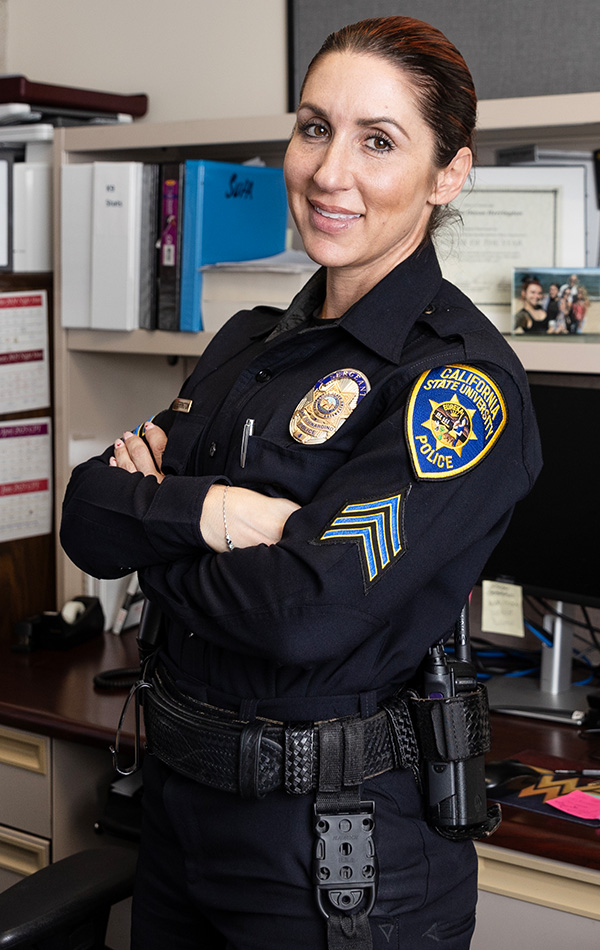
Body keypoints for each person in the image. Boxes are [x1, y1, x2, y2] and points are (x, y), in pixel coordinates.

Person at [60, 16, 542, 950]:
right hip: (179, 819)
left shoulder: (456, 390)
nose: (329, 173)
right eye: (315, 127)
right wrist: (223, 512)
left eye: (379, 141)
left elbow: (299, 614)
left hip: (335, 860)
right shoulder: (248, 346)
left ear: (449, 174)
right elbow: (86, 514)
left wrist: (155, 525)